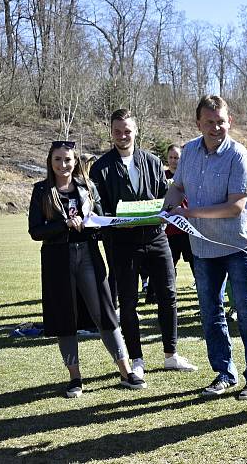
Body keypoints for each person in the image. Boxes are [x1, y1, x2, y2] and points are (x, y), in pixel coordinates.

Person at [162, 95, 247, 398]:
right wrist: (167, 206)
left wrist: (188, 212)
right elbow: (179, 186)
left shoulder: (238, 155)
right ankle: (225, 374)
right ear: (198, 123)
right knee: (210, 312)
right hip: (203, 248)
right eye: (209, 122)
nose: (216, 127)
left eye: (221, 121)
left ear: (229, 121)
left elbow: (235, 207)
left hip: (238, 244)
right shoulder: (190, 152)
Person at [28, 141, 146, 396]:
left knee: (104, 312)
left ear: (75, 161)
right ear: (50, 162)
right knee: (65, 317)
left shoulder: (87, 187)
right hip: (57, 259)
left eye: (68, 159)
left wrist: (90, 224)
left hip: (89, 256)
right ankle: (75, 378)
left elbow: (102, 223)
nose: (63, 165)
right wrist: (64, 225)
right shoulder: (41, 191)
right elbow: (35, 231)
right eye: (58, 159)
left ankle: (126, 372)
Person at [90, 110, 196, 379]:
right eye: (117, 131)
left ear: (136, 131)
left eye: (127, 131)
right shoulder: (100, 167)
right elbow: (98, 206)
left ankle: (171, 354)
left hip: (155, 237)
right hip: (122, 243)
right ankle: (136, 359)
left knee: (168, 295)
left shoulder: (151, 161)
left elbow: (165, 195)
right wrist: (112, 226)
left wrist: (166, 212)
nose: (122, 136)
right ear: (111, 132)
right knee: (128, 302)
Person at [164, 144, 195, 282]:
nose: (173, 160)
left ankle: (202, 291)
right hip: (169, 229)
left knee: (195, 262)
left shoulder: (190, 175)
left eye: (176, 157)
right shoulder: (161, 177)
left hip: (187, 227)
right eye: (171, 157)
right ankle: (155, 294)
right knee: (167, 264)